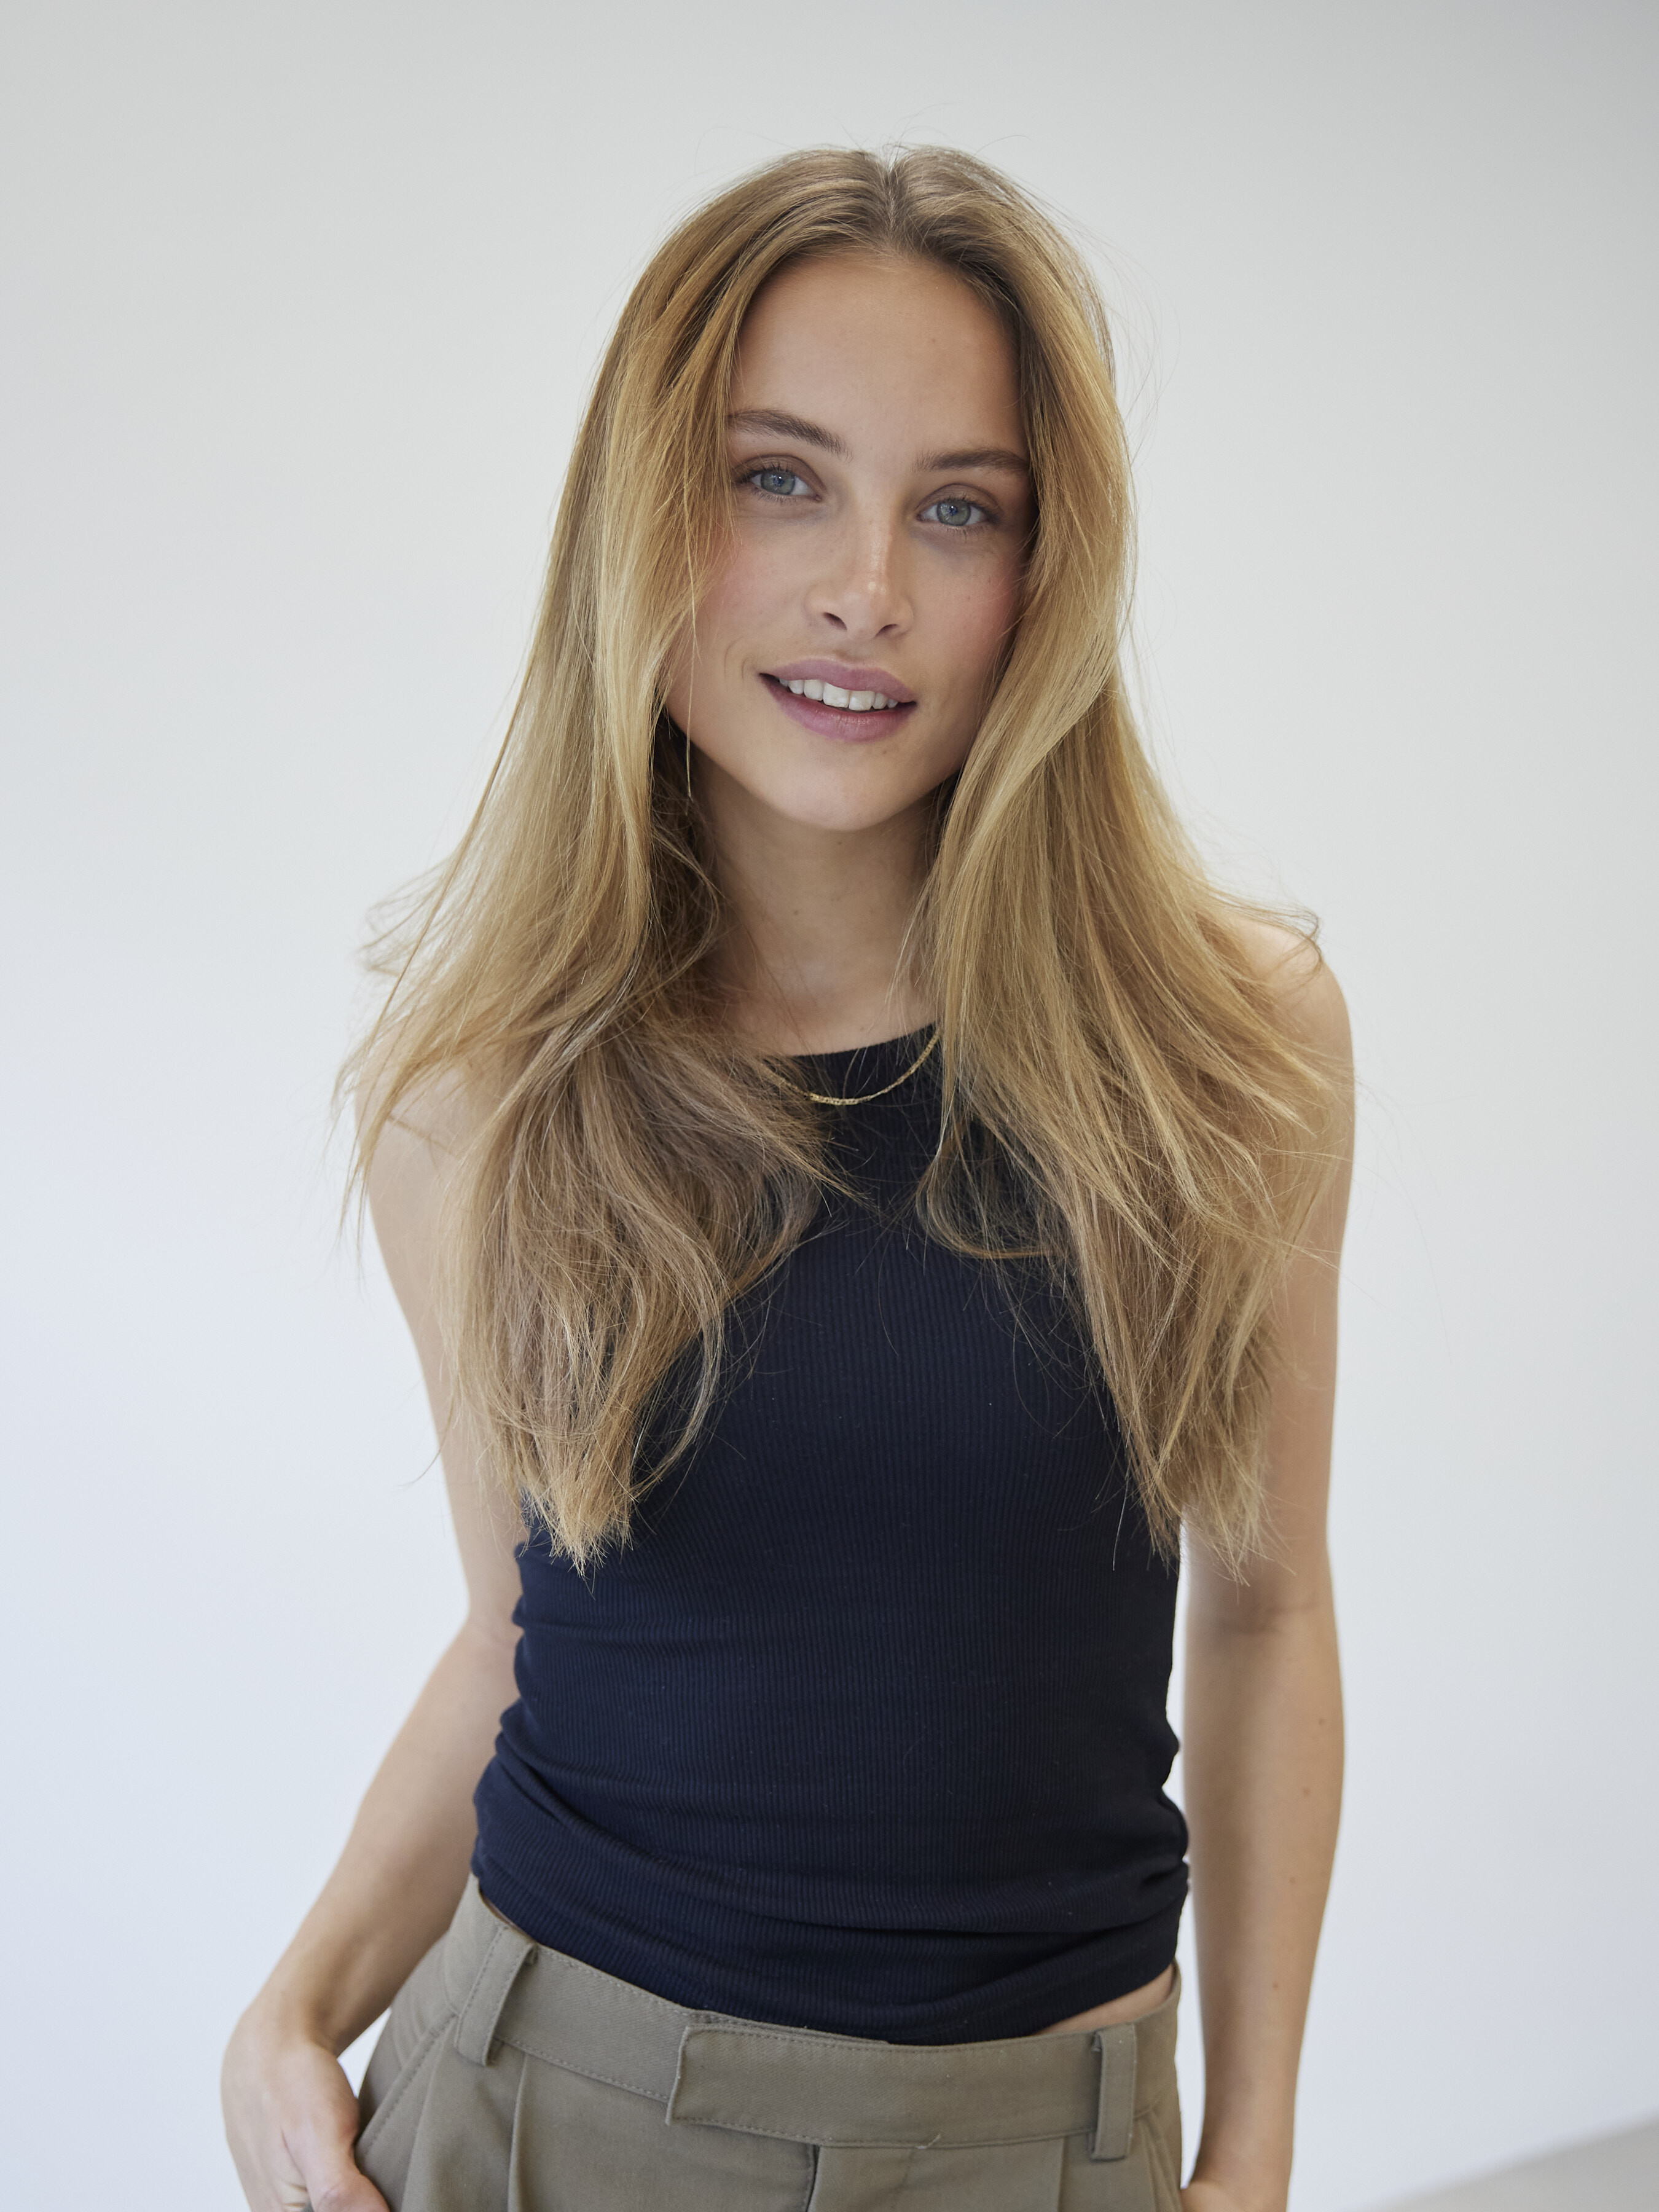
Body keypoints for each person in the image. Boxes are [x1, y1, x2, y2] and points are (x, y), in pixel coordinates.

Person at [222, 145, 1352, 2212]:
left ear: (1047, 567)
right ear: (642, 516)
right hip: (553, 2113)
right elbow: (516, 1639)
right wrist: (288, 2009)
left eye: (959, 507)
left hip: (1051, 2141)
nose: (868, 591)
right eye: (776, 479)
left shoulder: (1221, 1041)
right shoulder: (484, 1093)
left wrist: (1254, 2143)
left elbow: (1266, 1613)